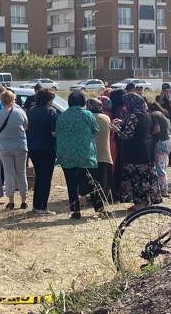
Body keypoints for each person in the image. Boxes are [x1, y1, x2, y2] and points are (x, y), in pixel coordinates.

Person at [55, 92, 100, 220]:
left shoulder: (62, 116)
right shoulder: (88, 114)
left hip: (67, 154)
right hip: (85, 154)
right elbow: (96, 130)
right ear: (83, 102)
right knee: (92, 182)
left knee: (71, 185)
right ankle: (99, 209)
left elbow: (57, 132)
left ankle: (75, 212)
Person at [115, 91, 162, 208]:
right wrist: (123, 122)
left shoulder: (133, 115)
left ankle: (140, 204)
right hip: (147, 149)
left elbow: (127, 135)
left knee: (137, 178)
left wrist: (116, 130)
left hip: (136, 151)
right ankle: (145, 202)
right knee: (145, 176)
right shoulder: (147, 114)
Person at [0, 90, 29, 210]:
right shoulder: (20, 112)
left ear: (1, 101)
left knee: (8, 173)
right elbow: (25, 126)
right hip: (20, 146)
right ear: (13, 100)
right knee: (21, 173)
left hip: (4, 147)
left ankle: (11, 200)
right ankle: (24, 199)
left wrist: (1, 133)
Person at [26, 89, 58, 215]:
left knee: (39, 176)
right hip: (47, 148)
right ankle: (42, 207)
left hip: (32, 148)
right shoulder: (50, 112)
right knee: (45, 178)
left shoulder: (31, 111)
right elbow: (54, 132)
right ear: (47, 100)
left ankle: (36, 205)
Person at [87, 98, 113, 206]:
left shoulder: (88, 118)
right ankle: (103, 199)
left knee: (92, 179)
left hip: (91, 154)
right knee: (103, 179)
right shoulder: (106, 118)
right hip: (105, 153)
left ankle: (94, 200)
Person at [149, 101, 171, 197]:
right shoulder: (164, 115)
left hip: (161, 142)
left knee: (159, 167)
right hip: (169, 141)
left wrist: (149, 135)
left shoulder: (154, 115)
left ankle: (163, 189)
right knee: (163, 165)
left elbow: (157, 129)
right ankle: (163, 186)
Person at [156, 83, 171, 167]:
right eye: (164, 90)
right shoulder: (158, 97)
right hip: (161, 120)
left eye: (167, 90)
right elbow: (156, 106)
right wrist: (161, 97)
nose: (165, 91)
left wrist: (169, 99)